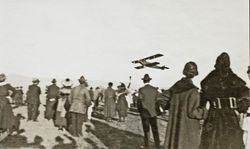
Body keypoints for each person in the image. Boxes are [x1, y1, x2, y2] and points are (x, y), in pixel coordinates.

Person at [199, 52, 249, 149]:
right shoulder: (211, 78)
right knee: (213, 141)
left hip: (226, 115)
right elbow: (204, 95)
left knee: (228, 141)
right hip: (216, 115)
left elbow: (245, 93)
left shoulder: (232, 78)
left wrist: (241, 106)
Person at [163, 62, 209, 149]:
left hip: (175, 126)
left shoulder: (175, 87)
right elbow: (193, 112)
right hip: (188, 128)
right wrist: (204, 111)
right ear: (195, 74)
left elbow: (163, 98)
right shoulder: (193, 91)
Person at [138, 74, 160, 149]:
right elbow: (157, 101)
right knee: (155, 128)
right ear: (149, 80)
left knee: (146, 129)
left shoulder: (141, 89)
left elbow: (139, 101)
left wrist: (140, 111)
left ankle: (146, 145)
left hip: (145, 112)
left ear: (143, 81)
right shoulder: (155, 89)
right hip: (153, 112)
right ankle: (157, 144)